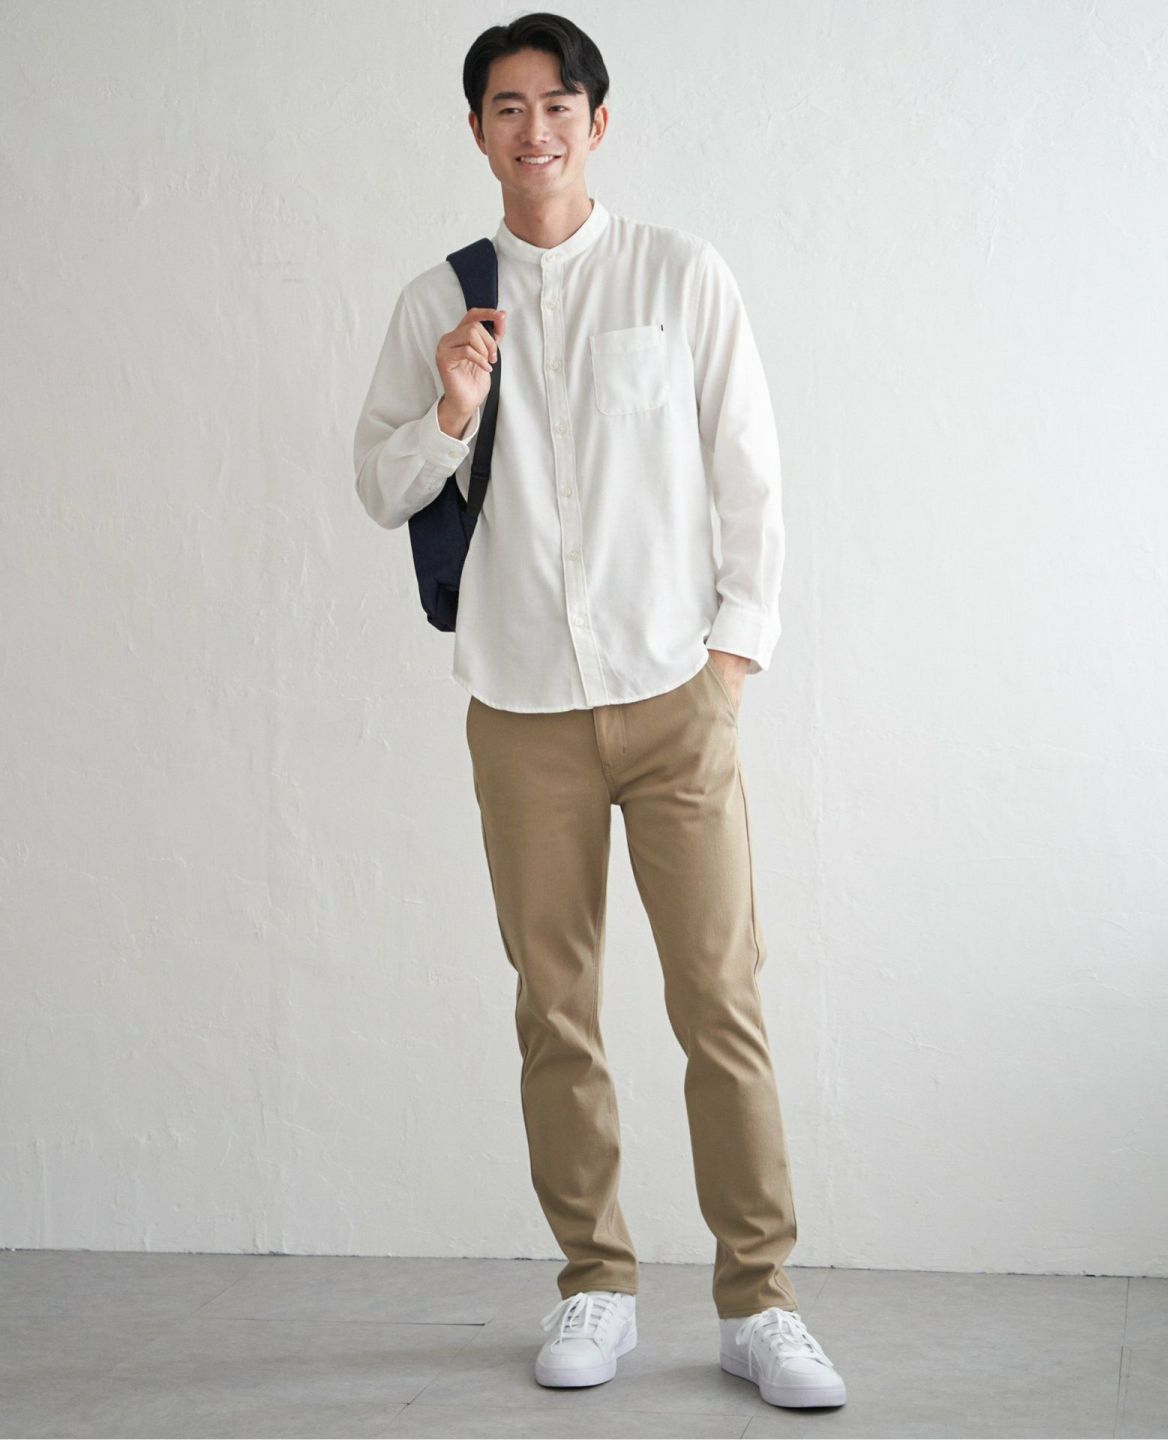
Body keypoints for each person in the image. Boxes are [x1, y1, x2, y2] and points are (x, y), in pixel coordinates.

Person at [352, 10, 847, 1412]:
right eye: (507, 107)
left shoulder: (680, 276)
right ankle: (596, 1282)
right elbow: (379, 484)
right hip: (521, 709)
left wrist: (732, 661)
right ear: (477, 131)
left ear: (598, 122)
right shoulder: (439, 300)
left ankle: (762, 1301)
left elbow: (749, 471)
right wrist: (452, 408)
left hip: (674, 697)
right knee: (555, 1009)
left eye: (558, 104)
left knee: (720, 1001)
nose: (536, 129)